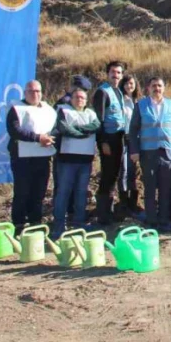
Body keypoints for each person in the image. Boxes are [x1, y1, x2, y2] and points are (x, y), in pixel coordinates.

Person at [128, 77, 171, 229]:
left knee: (165, 188)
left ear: (164, 88)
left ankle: (164, 220)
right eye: (154, 86)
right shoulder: (141, 105)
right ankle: (151, 220)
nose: (157, 88)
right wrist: (134, 150)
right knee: (150, 187)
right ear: (148, 88)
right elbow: (133, 129)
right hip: (148, 153)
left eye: (159, 86)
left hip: (167, 152)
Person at [7, 80, 57, 233]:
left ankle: (35, 222)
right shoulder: (16, 108)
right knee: (22, 192)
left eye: (38, 91)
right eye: (31, 91)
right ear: (25, 93)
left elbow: (56, 128)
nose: (35, 94)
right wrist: (38, 138)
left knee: (39, 192)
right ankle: (19, 224)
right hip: (22, 158)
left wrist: (50, 139)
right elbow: (15, 130)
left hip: (42, 157)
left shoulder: (48, 109)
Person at [51, 87, 100, 238]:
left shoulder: (91, 113)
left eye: (82, 98)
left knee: (81, 193)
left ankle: (79, 223)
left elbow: (96, 126)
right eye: (76, 97)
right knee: (63, 192)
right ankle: (59, 225)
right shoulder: (63, 110)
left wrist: (77, 129)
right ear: (71, 99)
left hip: (85, 160)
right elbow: (64, 128)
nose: (79, 100)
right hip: (67, 159)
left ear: (86, 100)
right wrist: (81, 134)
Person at [93, 61, 129, 224]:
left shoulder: (118, 91)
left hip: (119, 138)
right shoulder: (102, 92)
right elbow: (98, 120)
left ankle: (109, 210)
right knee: (107, 175)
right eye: (113, 72)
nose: (116, 75)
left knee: (114, 175)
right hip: (108, 138)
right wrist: (103, 142)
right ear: (107, 74)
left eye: (119, 72)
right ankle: (103, 215)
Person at [117, 75, 142, 215]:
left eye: (131, 83)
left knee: (133, 171)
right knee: (124, 171)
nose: (129, 86)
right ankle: (123, 202)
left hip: (136, 139)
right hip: (124, 137)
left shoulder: (139, 102)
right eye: (126, 83)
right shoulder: (120, 100)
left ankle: (133, 203)